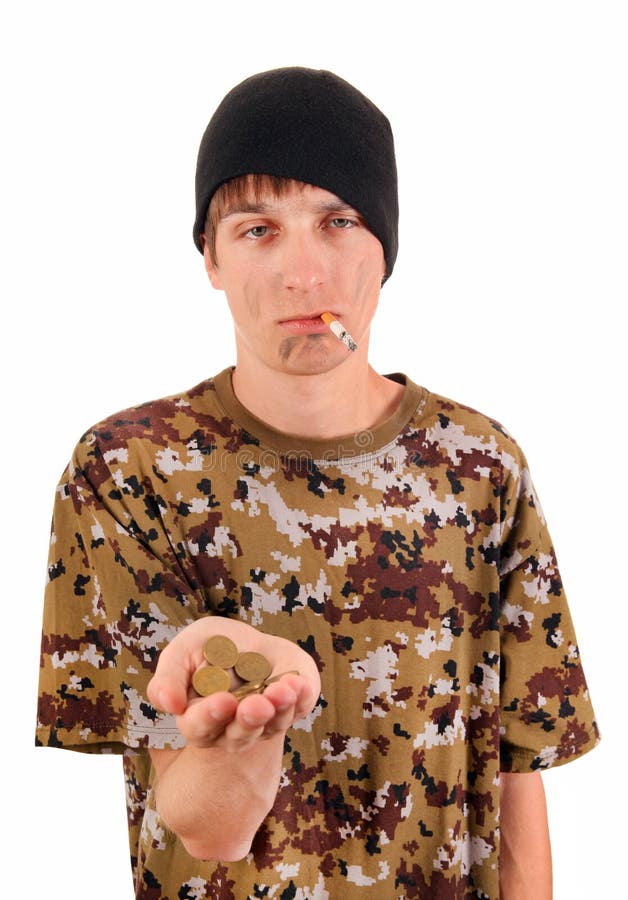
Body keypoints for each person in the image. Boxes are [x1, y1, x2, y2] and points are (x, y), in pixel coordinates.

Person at [36, 67, 599, 899]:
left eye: (338, 221)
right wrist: (242, 741)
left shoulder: (482, 466)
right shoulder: (129, 469)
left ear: (386, 248)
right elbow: (203, 821)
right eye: (258, 230)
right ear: (211, 260)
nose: (305, 274)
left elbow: (519, 779)